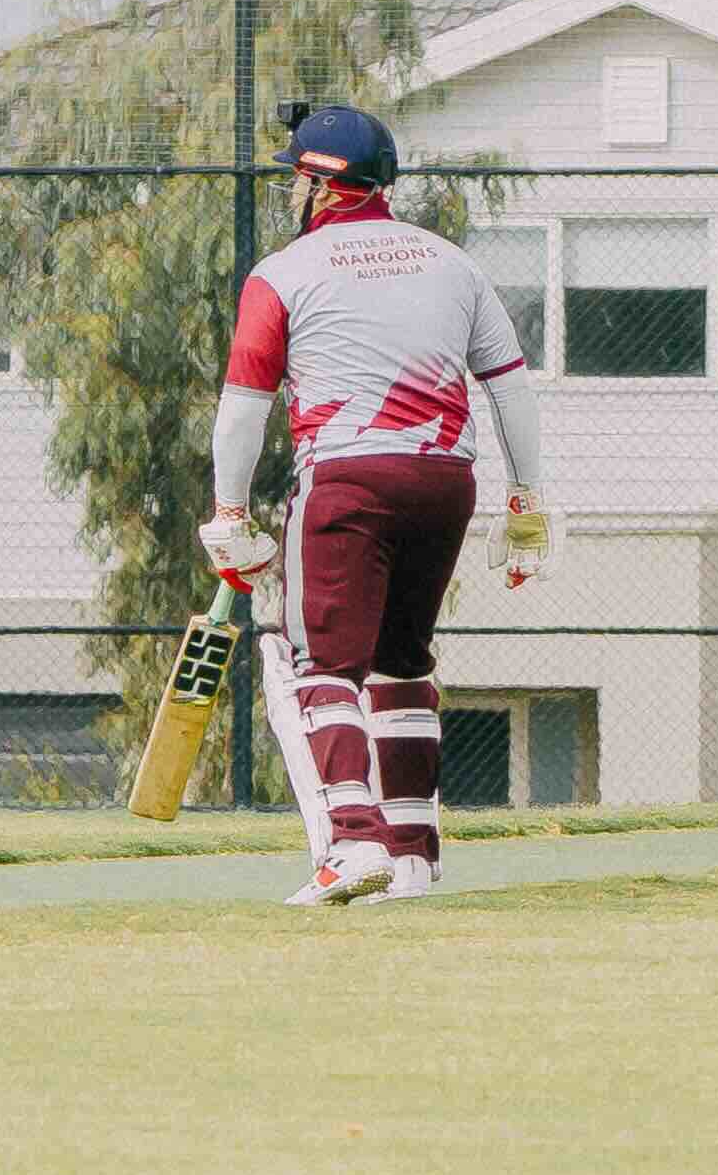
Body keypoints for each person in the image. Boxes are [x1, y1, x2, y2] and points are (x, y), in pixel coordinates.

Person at [204, 104, 549, 906]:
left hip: (348, 482)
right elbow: (511, 385)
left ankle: (353, 842)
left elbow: (243, 408)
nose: (291, 190)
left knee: (321, 665)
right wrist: (526, 500)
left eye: (297, 175)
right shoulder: (451, 262)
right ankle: (415, 857)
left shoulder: (283, 272)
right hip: (444, 485)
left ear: (322, 184)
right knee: (402, 660)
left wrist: (229, 513)